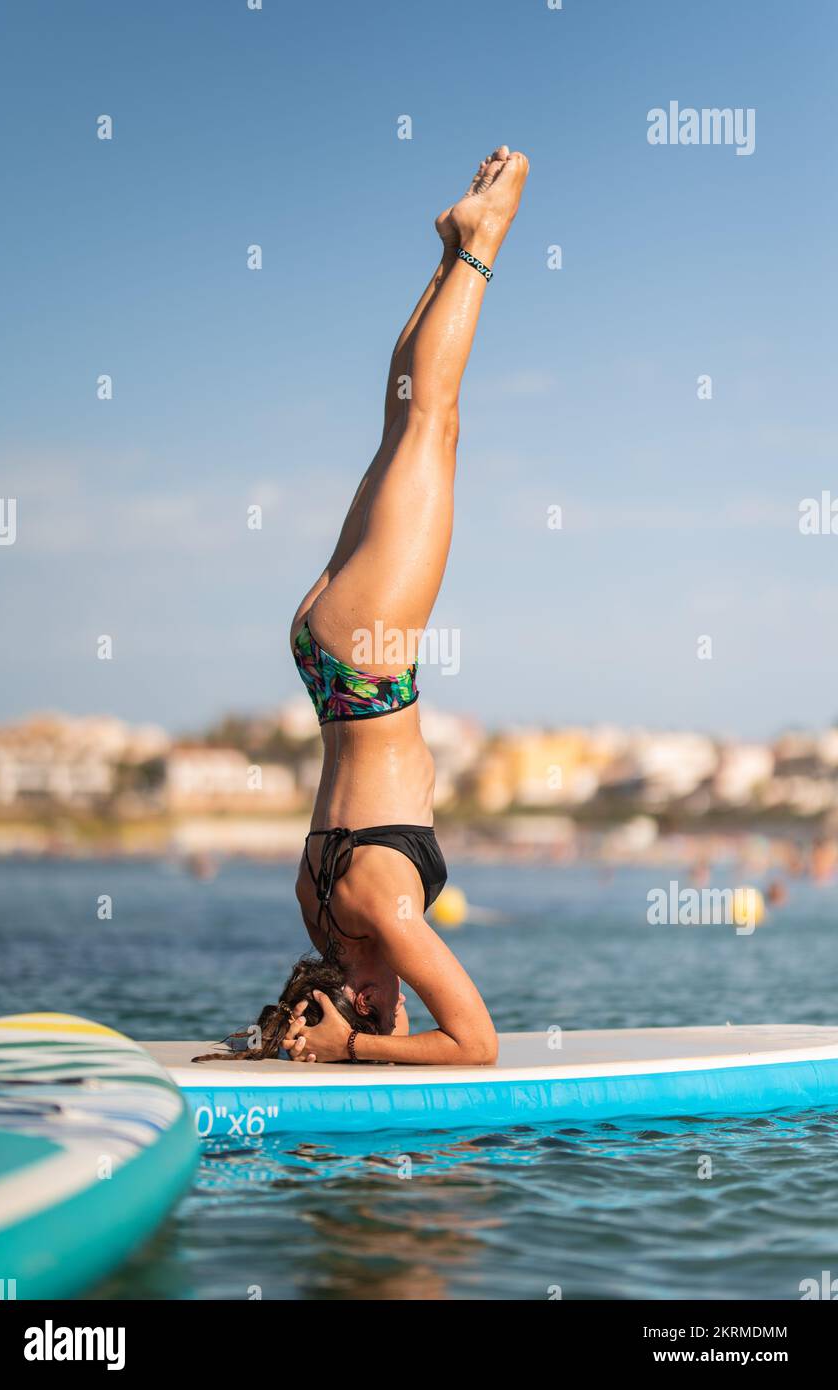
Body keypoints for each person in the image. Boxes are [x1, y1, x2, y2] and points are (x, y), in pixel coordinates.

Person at [270, 147, 529, 1066]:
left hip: (369, 662)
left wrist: (352, 1051)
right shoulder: (321, 903)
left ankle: (482, 241)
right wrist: (338, 1028)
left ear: (351, 991)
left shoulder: (381, 907)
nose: (395, 1007)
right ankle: (450, 254)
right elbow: (395, 1007)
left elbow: (477, 1045)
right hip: (330, 660)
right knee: (409, 424)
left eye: (381, 1009)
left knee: (431, 423)